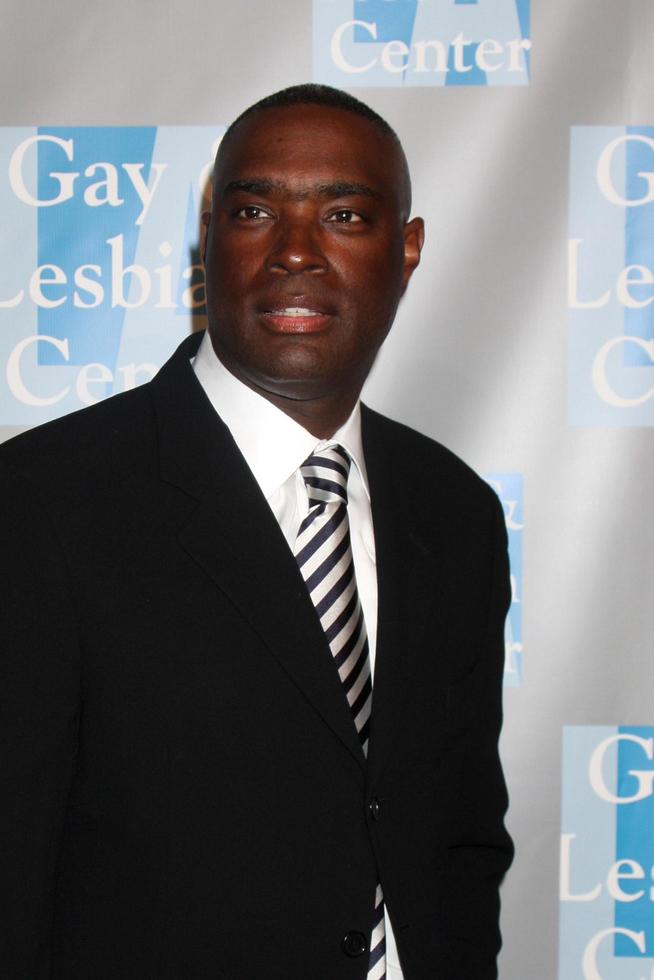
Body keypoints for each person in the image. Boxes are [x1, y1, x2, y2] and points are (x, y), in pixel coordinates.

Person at [0, 84, 513, 979]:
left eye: (345, 215)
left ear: (407, 249)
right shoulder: (44, 503)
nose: (295, 253)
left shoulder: (455, 512)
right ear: (209, 245)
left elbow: (461, 836)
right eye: (253, 211)